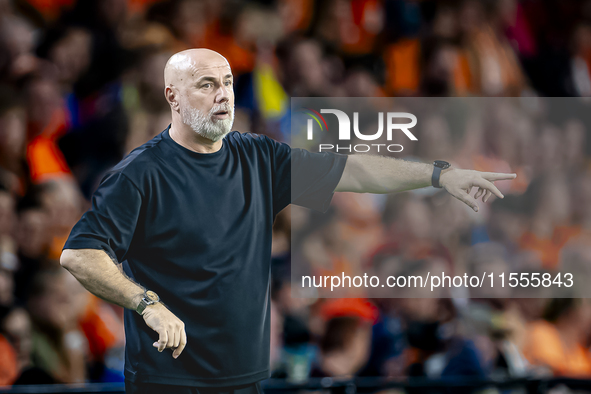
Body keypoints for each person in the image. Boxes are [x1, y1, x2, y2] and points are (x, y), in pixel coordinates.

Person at [59, 48, 516, 393]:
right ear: (172, 96)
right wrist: (147, 304)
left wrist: (438, 174)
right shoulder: (140, 174)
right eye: (205, 84)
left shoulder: (257, 156)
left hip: (247, 377)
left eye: (228, 82)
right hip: (171, 381)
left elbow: (352, 169)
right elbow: (80, 254)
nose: (222, 95)